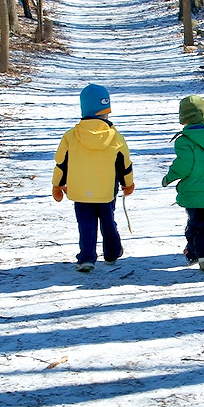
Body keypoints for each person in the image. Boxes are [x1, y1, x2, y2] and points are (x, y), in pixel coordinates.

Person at [52, 83, 134, 272]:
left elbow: (61, 164)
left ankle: (86, 257)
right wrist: (127, 184)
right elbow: (125, 164)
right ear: (105, 112)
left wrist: (57, 185)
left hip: (79, 192)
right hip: (106, 191)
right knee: (108, 221)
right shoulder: (115, 137)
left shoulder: (71, 136)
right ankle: (112, 252)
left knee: (86, 224)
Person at [162, 95, 204, 271]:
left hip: (193, 192)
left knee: (194, 223)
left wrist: (169, 177)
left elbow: (183, 166)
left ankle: (192, 253)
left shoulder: (185, 140)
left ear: (183, 118)